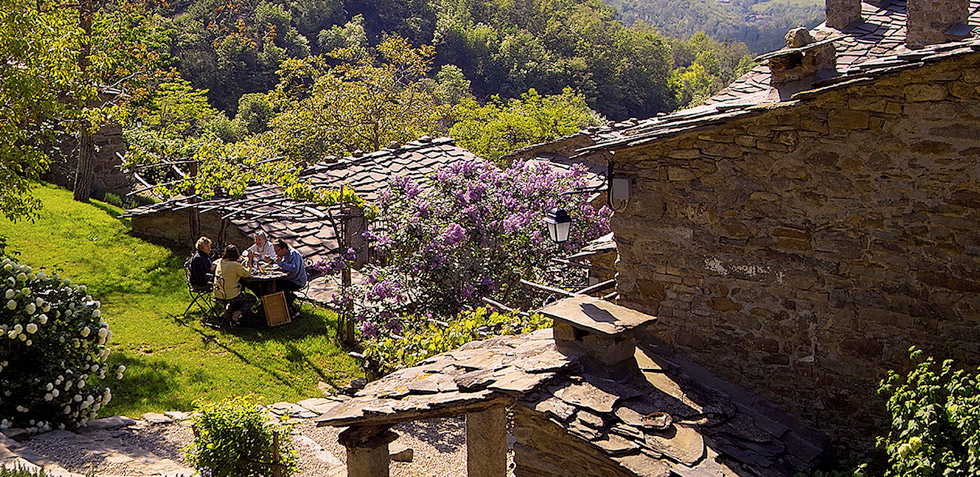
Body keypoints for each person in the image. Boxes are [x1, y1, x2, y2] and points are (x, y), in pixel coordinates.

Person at [214, 244, 257, 325]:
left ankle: (227, 313)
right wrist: (250, 260)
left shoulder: (221, 262)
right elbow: (247, 274)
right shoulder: (234, 265)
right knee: (252, 299)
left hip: (218, 293)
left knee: (239, 294)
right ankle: (236, 315)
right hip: (230, 295)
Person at [273, 239, 307, 317]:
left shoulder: (293, 254)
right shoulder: (284, 255)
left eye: (277, 251)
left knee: (278, 288)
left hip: (297, 281)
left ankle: (292, 311)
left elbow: (294, 269)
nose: (276, 253)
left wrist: (281, 263)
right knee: (273, 284)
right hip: (289, 278)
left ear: (284, 248)